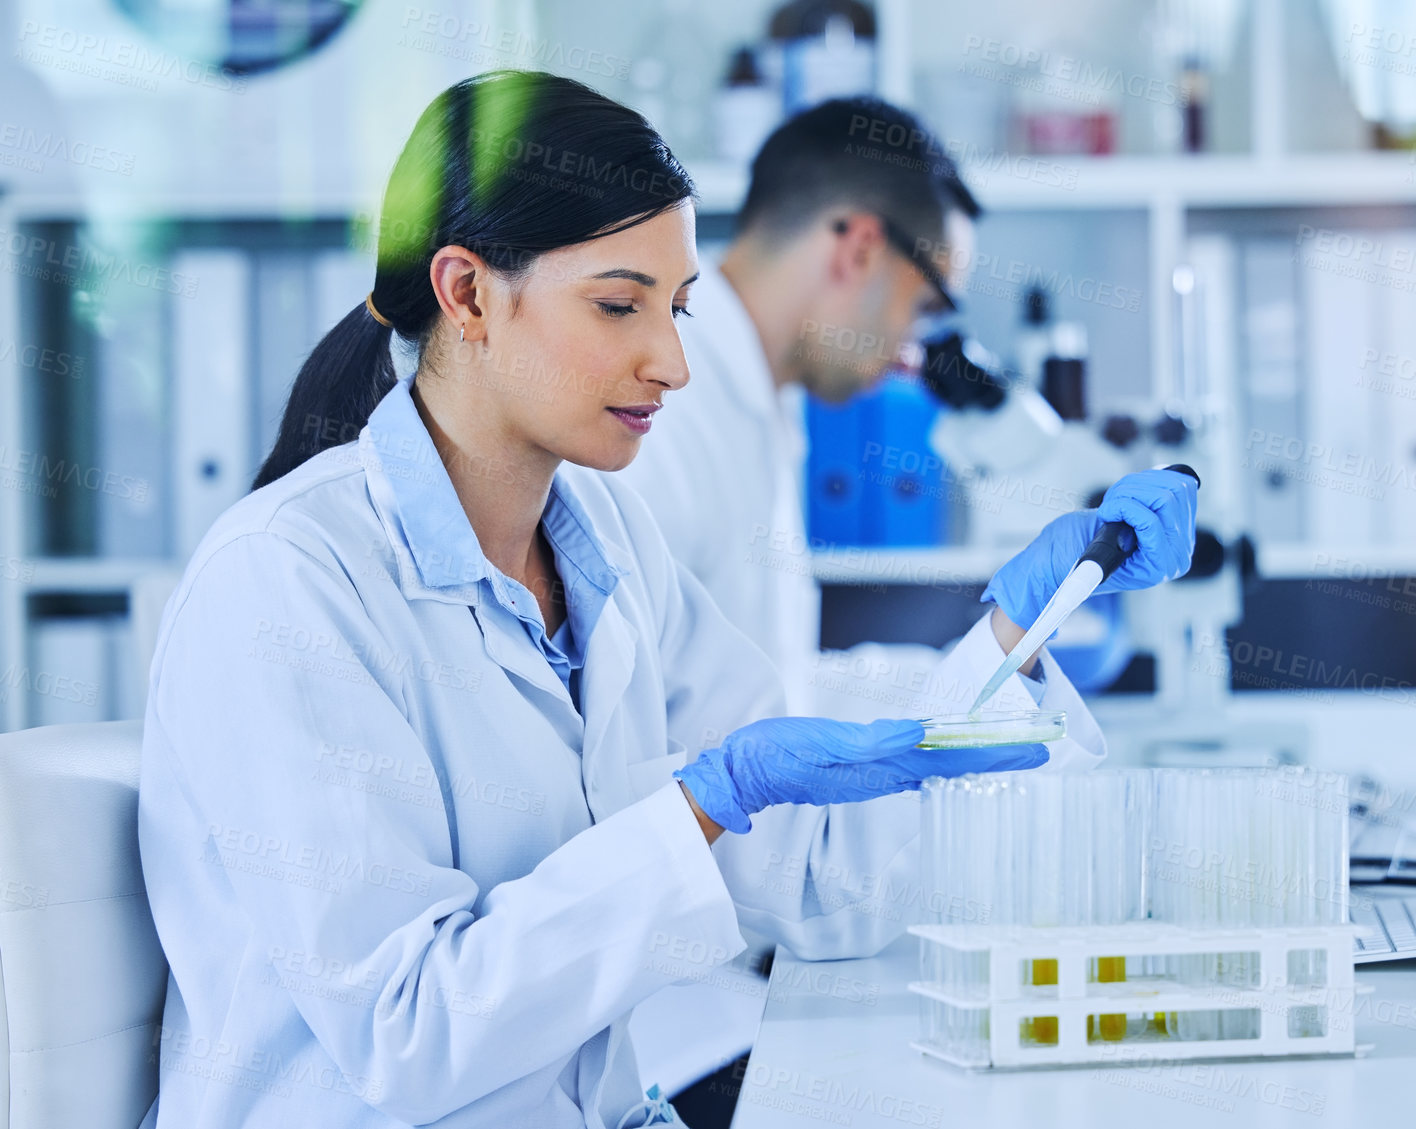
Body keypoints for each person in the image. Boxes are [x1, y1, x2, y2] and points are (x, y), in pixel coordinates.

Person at [136, 71, 1198, 1129]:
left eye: (678, 306)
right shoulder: (286, 584)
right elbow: (409, 1032)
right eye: (617, 304)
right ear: (464, 295)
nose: (674, 362)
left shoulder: (606, 550)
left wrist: (1022, 627)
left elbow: (820, 878)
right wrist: (696, 807)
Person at [615, 98, 979, 716]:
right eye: (923, 309)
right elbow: (624, 722)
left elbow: (770, 688)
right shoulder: (659, 406)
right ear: (859, 248)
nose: (911, 357)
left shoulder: (767, 400)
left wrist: (993, 662)